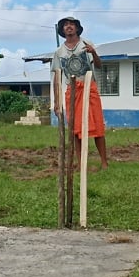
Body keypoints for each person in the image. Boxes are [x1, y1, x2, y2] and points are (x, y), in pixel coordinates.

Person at [51, 16, 109, 169]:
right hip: (72, 92)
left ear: (77, 28)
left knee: (97, 126)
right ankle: (81, 163)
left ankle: (104, 162)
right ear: (62, 30)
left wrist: (94, 52)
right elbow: (56, 77)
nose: (69, 27)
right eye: (66, 25)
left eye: (72, 24)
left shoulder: (86, 44)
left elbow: (98, 65)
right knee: (76, 130)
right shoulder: (59, 52)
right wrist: (56, 103)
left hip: (89, 88)